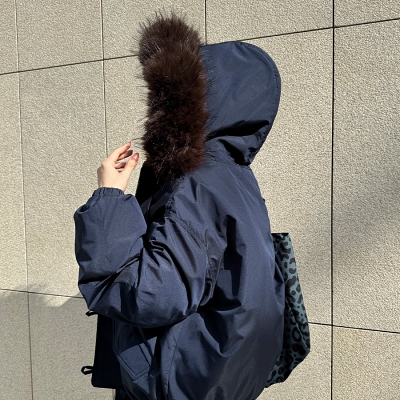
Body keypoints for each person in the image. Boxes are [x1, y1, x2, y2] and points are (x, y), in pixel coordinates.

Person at [74, 14, 284, 400]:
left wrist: (109, 198)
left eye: (167, 96)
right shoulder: (235, 177)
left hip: (170, 386)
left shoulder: (194, 180)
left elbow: (146, 296)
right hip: (212, 380)